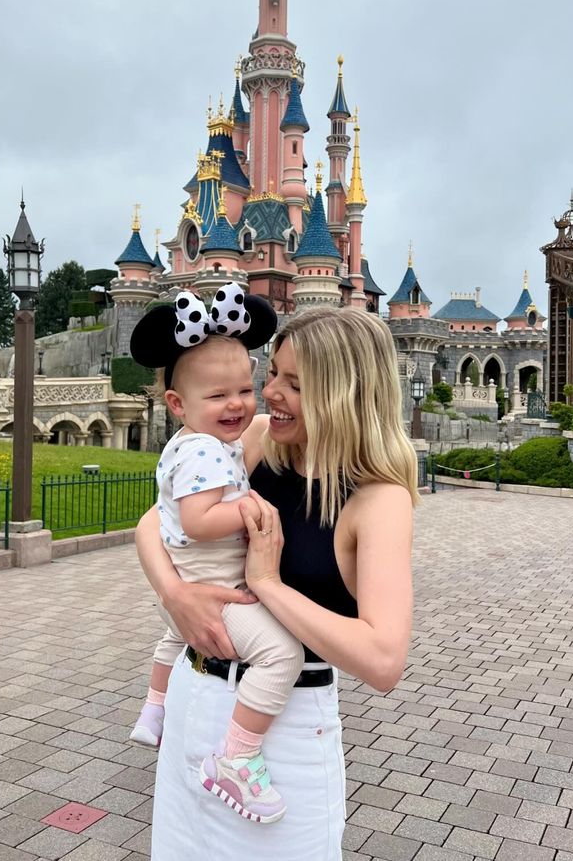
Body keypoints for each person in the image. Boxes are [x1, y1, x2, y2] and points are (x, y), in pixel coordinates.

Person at [135, 306, 418, 859]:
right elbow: (155, 521)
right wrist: (175, 595)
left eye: (294, 382)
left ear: (344, 392)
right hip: (194, 698)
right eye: (273, 375)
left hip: (280, 736)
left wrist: (268, 583)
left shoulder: (378, 499)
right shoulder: (264, 441)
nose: (268, 395)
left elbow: (384, 659)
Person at [129, 282, 302, 823]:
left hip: (195, 585)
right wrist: (250, 510)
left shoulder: (208, 441)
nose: (243, 403)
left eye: (246, 388)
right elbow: (191, 522)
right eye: (219, 396)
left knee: (171, 634)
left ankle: (153, 709)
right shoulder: (209, 448)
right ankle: (237, 756)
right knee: (281, 656)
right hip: (218, 588)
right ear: (178, 404)